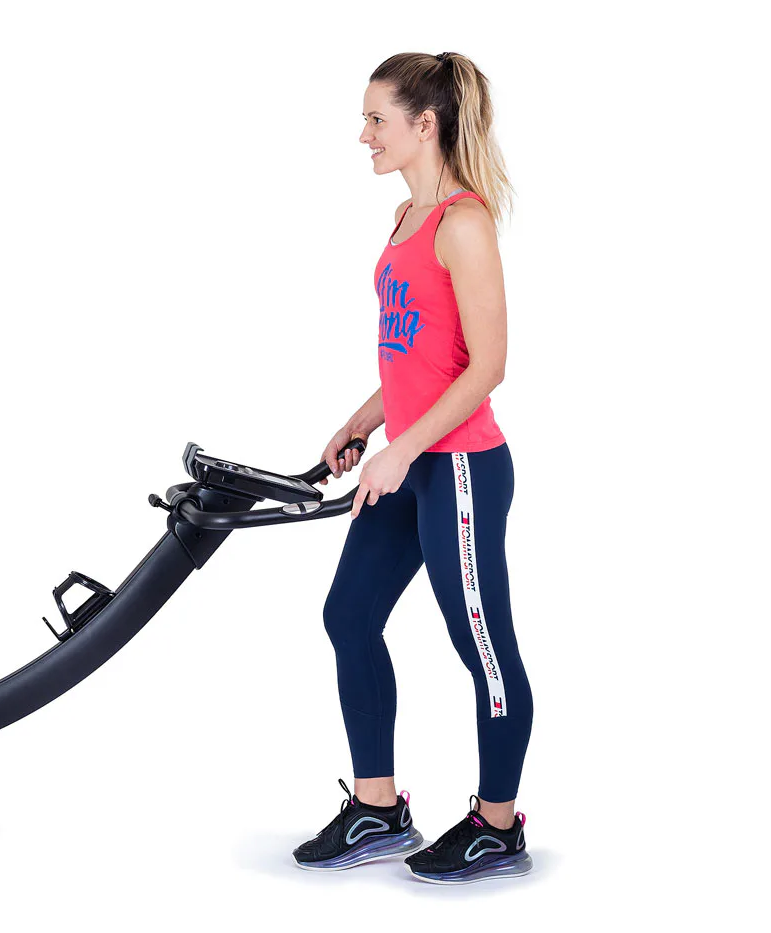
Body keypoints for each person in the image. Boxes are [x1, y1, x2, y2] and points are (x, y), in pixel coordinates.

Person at [290, 52, 533, 885]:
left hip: (459, 467)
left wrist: (402, 447)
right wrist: (363, 423)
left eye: (376, 120)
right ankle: (378, 809)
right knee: (349, 615)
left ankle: (497, 826)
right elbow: (418, 358)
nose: (364, 135)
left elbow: (487, 367)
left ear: (424, 124)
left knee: (483, 649)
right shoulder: (404, 218)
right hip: (409, 461)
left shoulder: (464, 223)